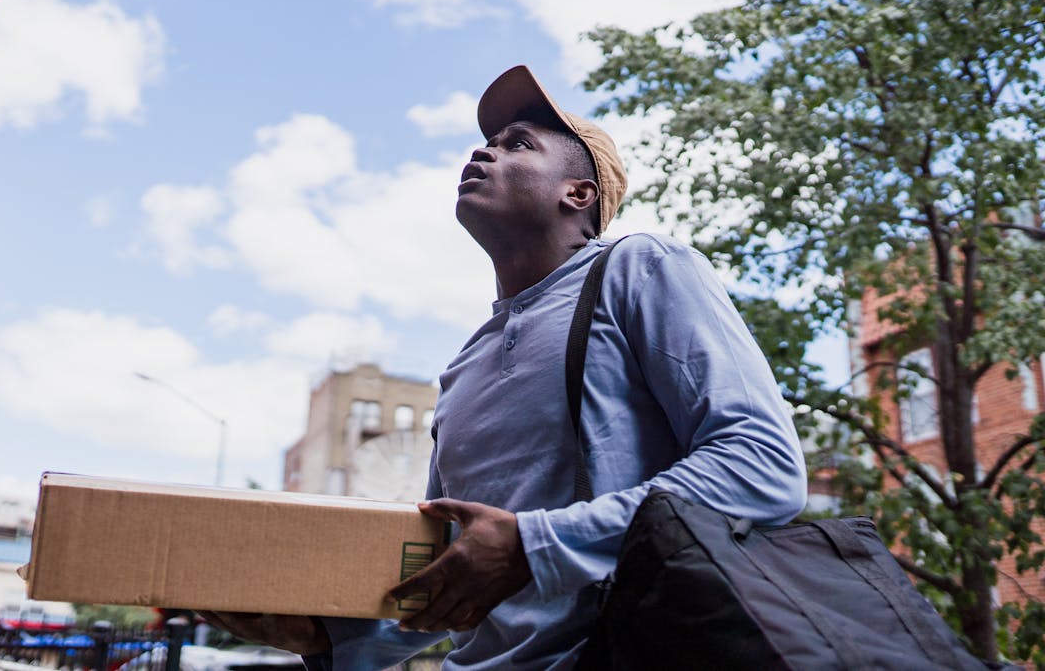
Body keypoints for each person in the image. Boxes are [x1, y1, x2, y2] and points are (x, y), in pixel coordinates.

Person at [199, 65, 807, 669]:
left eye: (517, 143)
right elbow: (454, 570)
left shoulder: (640, 267)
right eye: (489, 142)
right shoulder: (463, 367)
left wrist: (533, 545)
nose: (482, 152)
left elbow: (761, 465)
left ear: (579, 194)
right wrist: (328, 636)